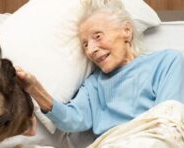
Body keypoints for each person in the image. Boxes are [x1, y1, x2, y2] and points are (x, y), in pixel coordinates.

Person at [16, 0, 184, 147]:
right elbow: (71, 119)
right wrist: (35, 89)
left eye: (97, 36)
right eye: (85, 45)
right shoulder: (93, 85)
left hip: (154, 138)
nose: (91, 50)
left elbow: (168, 118)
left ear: (126, 30)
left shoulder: (166, 62)